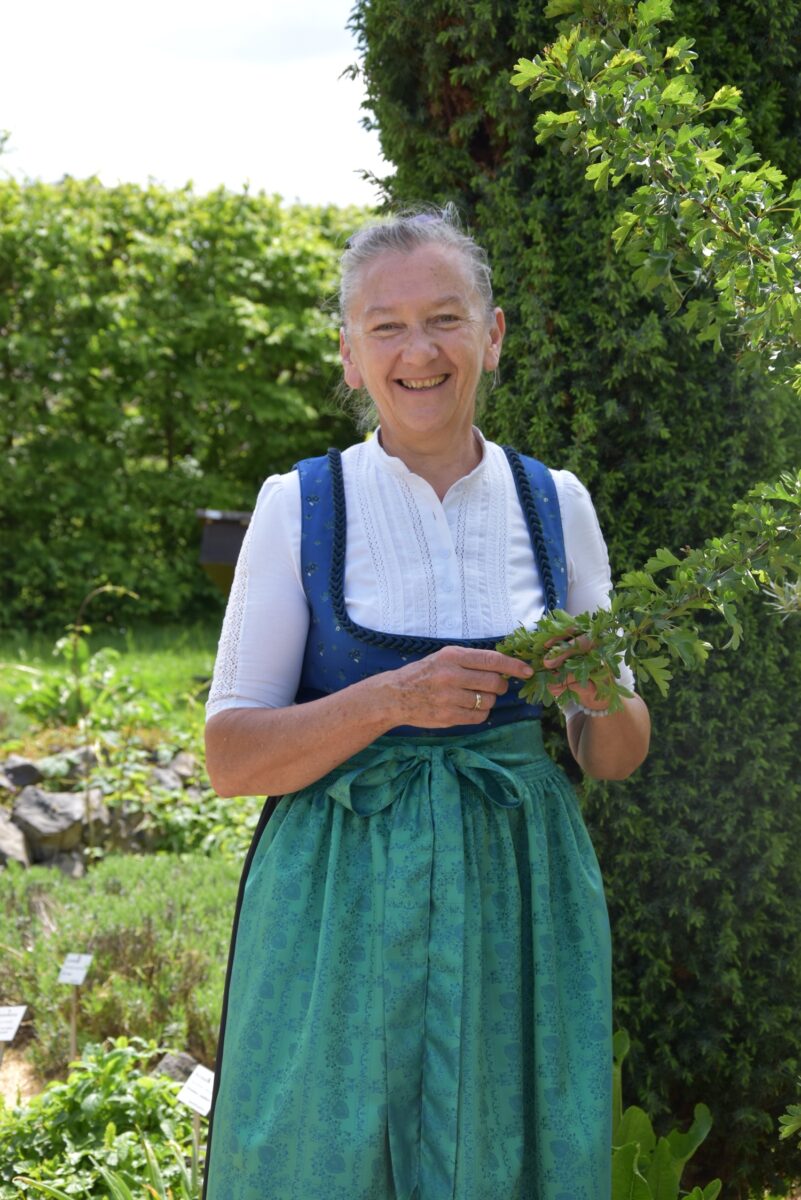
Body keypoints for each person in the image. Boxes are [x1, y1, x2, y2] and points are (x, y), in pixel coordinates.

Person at [201, 207, 651, 1200]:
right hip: (338, 905)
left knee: (504, 1151)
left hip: (516, 897)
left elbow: (615, 753)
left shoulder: (555, 504)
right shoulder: (301, 502)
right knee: (328, 1158)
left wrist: (593, 692)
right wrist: (391, 698)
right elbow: (231, 758)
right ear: (352, 356)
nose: (420, 351)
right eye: (386, 325)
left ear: (491, 337)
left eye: (445, 319)